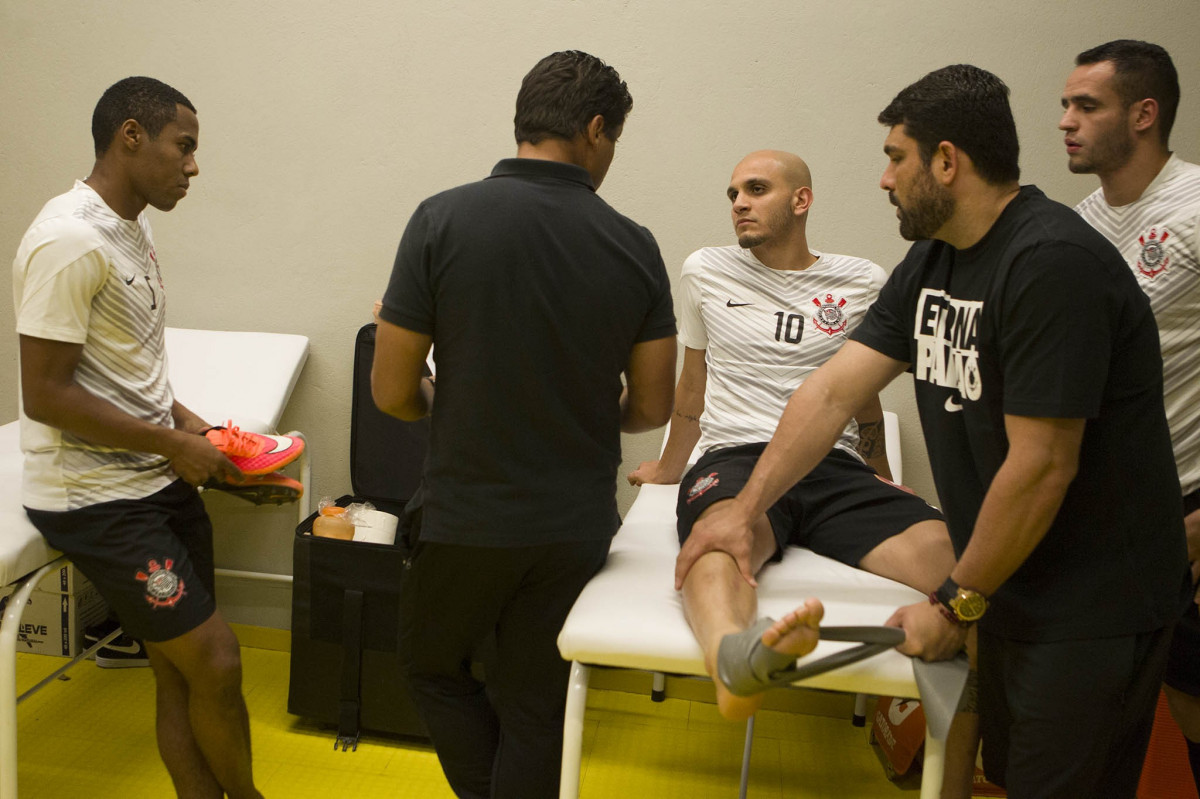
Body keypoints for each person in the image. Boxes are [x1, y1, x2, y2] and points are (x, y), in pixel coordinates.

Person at [678, 64, 1190, 798]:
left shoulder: (1052, 263)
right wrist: (744, 511)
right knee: (1014, 776)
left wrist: (953, 603)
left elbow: (1043, 464)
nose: (885, 179)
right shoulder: (935, 259)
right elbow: (829, 393)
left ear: (947, 161)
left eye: (896, 158)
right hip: (1017, 579)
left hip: (1093, 603)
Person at [372, 51, 676, 799]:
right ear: (595, 130)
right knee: (539, 700)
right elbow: (651, 407)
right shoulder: (634, 244)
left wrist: (452, 401)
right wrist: (569, 409)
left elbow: (391, 390)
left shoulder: (440, 218)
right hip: (573, 523)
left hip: (465, 517)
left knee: (431, 668)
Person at [627, 150, 954, 723]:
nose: (739, 204)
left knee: (951, 554)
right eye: (733, 194)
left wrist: (878, 471)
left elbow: (861, 389)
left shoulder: (860, 280)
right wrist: (671, 466)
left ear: (801, 200)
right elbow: (693, 382)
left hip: (831, 462)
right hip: (736, 457)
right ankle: (735, 658)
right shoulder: (706, 268)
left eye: (755, 189)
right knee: (716, 546)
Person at [13, 77, 263, 797]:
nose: (193, 166)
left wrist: (185, 422)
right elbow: (47, 394)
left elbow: (125, 363)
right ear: (131, 136)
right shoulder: (67, 239)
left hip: (154, 480)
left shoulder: (132, 226)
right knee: (215, 659)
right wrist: (172, 446)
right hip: (95, 496)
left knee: (179, 668)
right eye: (183, 147)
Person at [1061, 39, 1200, 791]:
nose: (1067, 121)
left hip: (1189, 503)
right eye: (1066, 105)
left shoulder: (1195, 207)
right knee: (1110, 707)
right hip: (1107, 512)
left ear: (1144, 114)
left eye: (1087, 105)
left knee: (1192, 698)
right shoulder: (1077, 224)